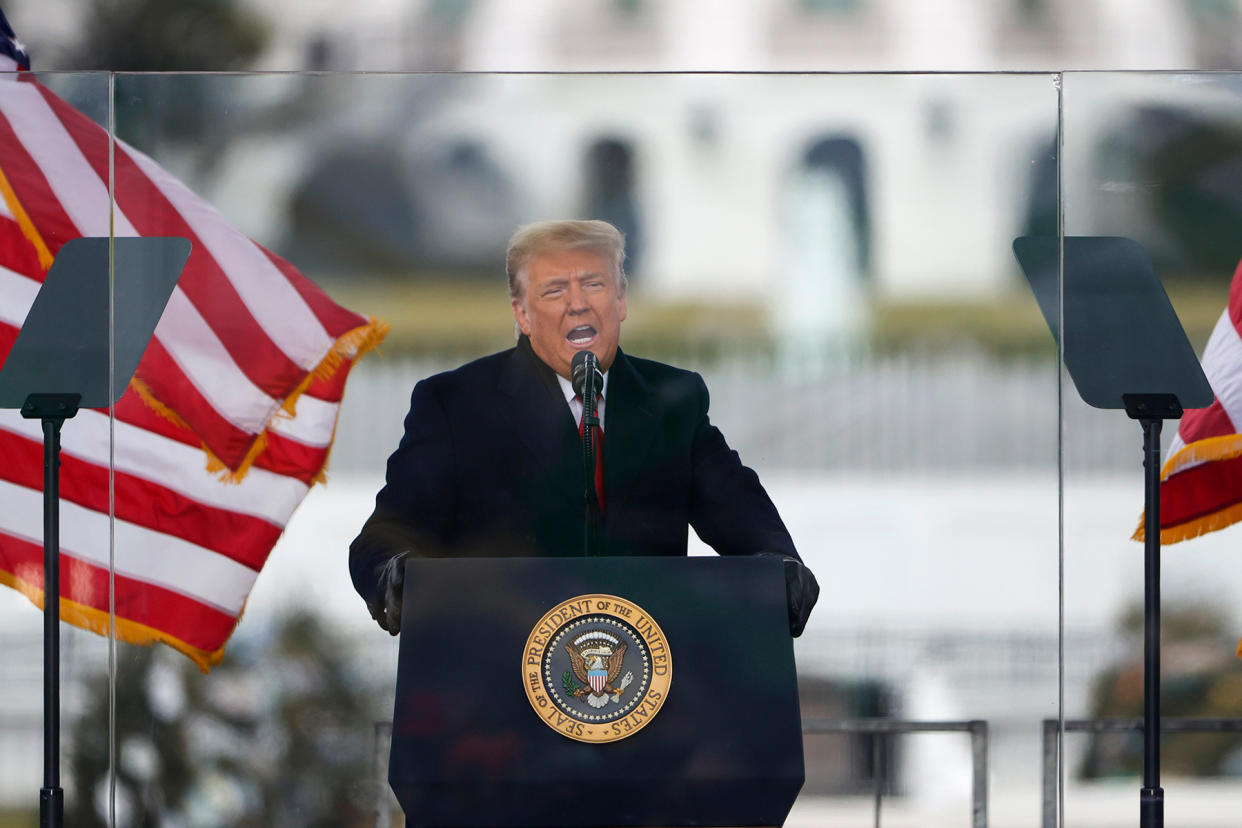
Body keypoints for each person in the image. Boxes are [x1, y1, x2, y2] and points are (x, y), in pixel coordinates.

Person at [350, 219, 819, 636]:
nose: (577, 305)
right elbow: (385, 537)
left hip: (647, 685)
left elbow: (738, 507)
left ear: (620, 300)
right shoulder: (455, 404)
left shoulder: (672, 400)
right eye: (554, 290)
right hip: (499, 676)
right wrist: (397, 574)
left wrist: (781, 565)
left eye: (593, 284)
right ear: (522, 315)